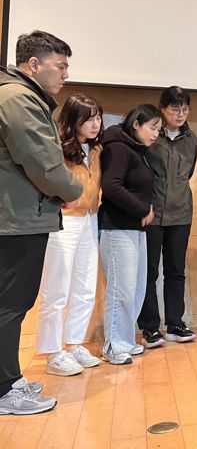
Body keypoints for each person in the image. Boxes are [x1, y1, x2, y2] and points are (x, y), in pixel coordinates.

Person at [0, 30, 83, 415]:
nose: (65, 73)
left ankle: (9, 379)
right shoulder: (18, 98)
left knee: (11, 304)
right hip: (16, 219)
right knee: (11, 305)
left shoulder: (19, 95)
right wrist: (71, 189)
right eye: (60, 65)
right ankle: (4, 390)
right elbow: (43, 162)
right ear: (34, 64)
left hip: (20, 216)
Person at [36, 94, 104, 376]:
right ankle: (53, 352)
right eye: (89, 118)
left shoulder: (96, 150)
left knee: (86, 287)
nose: (95, 124)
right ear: (73, 120)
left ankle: (74, 343)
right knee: (57, 288)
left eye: (98, 117)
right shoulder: (58, 149)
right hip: (64, 222)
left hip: (90, 219)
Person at [98, 104, 162, 365]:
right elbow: (110, 186)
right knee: (120, 288)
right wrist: (142, 210)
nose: (156, 134)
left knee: (136, 287)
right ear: (136, 124)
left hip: (135, 227)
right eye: (153, 128)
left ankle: (126, 340)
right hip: (117, 227)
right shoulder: (118, 147)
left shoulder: (138, 150)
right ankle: (113, 345)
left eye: (159, 129)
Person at [138, 86, 197, 347]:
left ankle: (175, 323)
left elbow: (189, 171)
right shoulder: (152, 134)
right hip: (151, 213)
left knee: (176, 271)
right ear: (163, 109)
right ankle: (150, 327)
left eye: (185, 109)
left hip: (181, 212)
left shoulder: (191, 138)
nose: (180, 114)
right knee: (148, 271)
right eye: (175, 109)